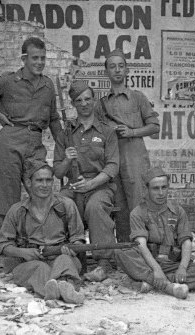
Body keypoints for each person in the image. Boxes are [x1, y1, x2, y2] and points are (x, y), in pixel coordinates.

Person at [0, 37, 62, 230]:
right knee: (7, 201)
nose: (39, 63)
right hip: (9, 142)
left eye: (43, 58)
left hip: (35, 144)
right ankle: (9, 250)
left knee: (43, 192)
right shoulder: (8, 81)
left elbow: (53, 119)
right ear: (24, 59)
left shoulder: (48, 86)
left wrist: (64, 144)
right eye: (35, 58)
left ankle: (42, 240)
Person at [114, 167, 195, 299]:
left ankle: (152, 282)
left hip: (172, 265)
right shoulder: (138, 213)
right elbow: (141, 244)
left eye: (164, 187)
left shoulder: (178, 211)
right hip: (148, 263)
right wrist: (156, 269)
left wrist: (183, 268)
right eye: (155, 188)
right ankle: (170, 287)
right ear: (147, 189)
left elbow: (186, 241)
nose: (161, 192)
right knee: (121, 252)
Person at [0, 160, 86, 305]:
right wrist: (23, 253)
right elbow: (3, 246)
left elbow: (78, 237)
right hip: (30, 262)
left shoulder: (66, 205)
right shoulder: (17, 211)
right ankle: (64, 290)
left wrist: (72, 249)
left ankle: (55, 291)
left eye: (48, 180)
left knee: (65, 261)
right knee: (40, 268)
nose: (44, 185)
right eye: (39, 180)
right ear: (29, 183)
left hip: (60, 258)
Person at [54, 81, 119, 275]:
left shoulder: (107, 131)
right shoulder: (66, 133)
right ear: (73, 104)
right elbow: (57, 172)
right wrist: (67, 159)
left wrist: (90, 184)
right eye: (79, 100)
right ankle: (72, 256)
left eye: (88, 99)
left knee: (95, 207)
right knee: (62, 203)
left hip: (100, 186)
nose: (84, 103)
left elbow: (113, 166)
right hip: (73, 185)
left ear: (94, 101)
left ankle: (104, 261)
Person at [96, 49, 160, 242]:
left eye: (121, 66)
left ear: (127, 70)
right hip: (113, 160)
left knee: (139, 204)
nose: (117, 70)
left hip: (134, 157)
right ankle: (125, 250)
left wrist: (132, 132)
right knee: (119, 206)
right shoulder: (100, 104)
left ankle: (145, 248)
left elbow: (154, 126)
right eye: (112, 66)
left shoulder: (138, 97)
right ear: (106, 71)